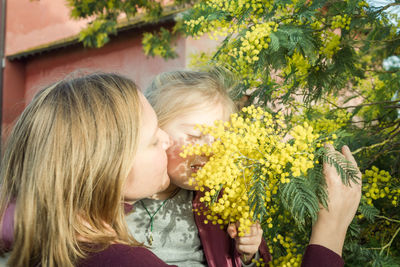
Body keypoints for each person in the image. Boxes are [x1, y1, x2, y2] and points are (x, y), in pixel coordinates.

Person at [125, 68, 362, 267]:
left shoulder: (224, 199)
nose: (210, 149)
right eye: (195, 135)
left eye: (221, 139)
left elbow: (235, 259)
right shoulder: (114, 200)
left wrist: (247, 252)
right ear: (156, 135)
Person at [0, 72, 176, 267]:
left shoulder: (39, 254)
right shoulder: (127, 262)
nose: (168, 140)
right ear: (110, 166)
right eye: (153, 141)